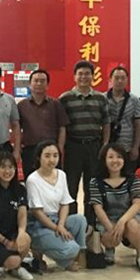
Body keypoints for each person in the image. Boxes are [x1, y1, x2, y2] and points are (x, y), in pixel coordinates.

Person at [59, 60, 110, 222]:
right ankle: (72, 223)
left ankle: (90, 224)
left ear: (93, 76)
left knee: (92, 187)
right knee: (70, 187)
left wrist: (105, 145)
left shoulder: (101, 98)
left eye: (87, 74)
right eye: (80, 74)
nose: (83, 77)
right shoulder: (65, 99)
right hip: (73, 147)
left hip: (94, 147)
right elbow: (61, 126)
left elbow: (106, 123)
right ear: (74, 77)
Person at [25, 141, 87, 272]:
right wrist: (56, 228)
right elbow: (37, 212)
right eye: (47, 156)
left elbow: (65, 203)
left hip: (57, 219)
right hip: (39, 224)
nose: (52, 160)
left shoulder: (61, 175)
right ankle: (41, 250)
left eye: (55, 155)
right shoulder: (32, 179)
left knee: (80, 220)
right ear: (39, 157)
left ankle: (79, 254)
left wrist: (61, 224)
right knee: (72, 248)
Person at [88, 143, 140, 272]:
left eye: (119, 157)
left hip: (129, 217)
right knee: (109, 236)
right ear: (104, 160)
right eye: (111, 157)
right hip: (107, 219)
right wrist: (112, 228)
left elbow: (137, 203)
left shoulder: (133, 179)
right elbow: (98, 208)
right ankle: (109, 249)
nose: (115, 160)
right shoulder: (95, 182)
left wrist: (122, 221)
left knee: (133, 225)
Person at [0, 151, 34, 280]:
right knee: (13, 260)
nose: (7, 171)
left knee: (26, 238)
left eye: (10, 167)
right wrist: (5, 242)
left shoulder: (20, 189)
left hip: (12, 234)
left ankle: (16, 268)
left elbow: (22, 214)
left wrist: (21, 233)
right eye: (3, 167)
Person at [17, 69, 68, 180]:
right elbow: (17, 128)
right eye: (36, 81)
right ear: (30, 84)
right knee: (31, 181)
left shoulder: (55, 104)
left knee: (53, 180)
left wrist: (59, 148)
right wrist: (18, 147)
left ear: (47, 85)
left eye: (42, 81)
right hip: (30, 150)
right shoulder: (21, 106)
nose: (39, 84)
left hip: (51, 150)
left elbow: (62, 127)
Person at [106, 67, 140, 174]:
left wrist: (135, 147)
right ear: (110, 79)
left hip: (127, 147)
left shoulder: (134, 100)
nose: (120, 81)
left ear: (127, 80)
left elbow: (139, 125)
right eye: (116, 78)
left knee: (127, 176)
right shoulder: (103, 98)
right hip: (108, 147)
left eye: (123, 78)